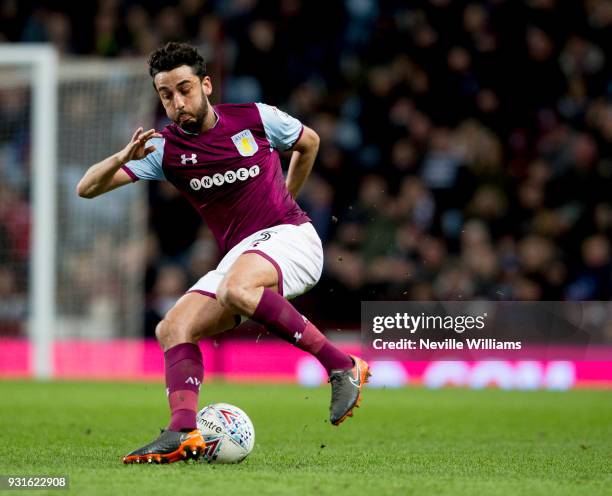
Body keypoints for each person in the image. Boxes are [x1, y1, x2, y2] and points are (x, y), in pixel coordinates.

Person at [77, 42, 370, 465]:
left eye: (185, 89)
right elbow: (86, 188)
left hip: (292, 237)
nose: (178, 102)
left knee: (237, 286)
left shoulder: (255, 118)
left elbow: (309, 142)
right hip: (242, 258)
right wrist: (122, 157)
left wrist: (287, 198)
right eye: (166, 95)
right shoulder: (164, 150)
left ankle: (342, 365)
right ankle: (182, 430)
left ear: (206, 85)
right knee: (172, 328)